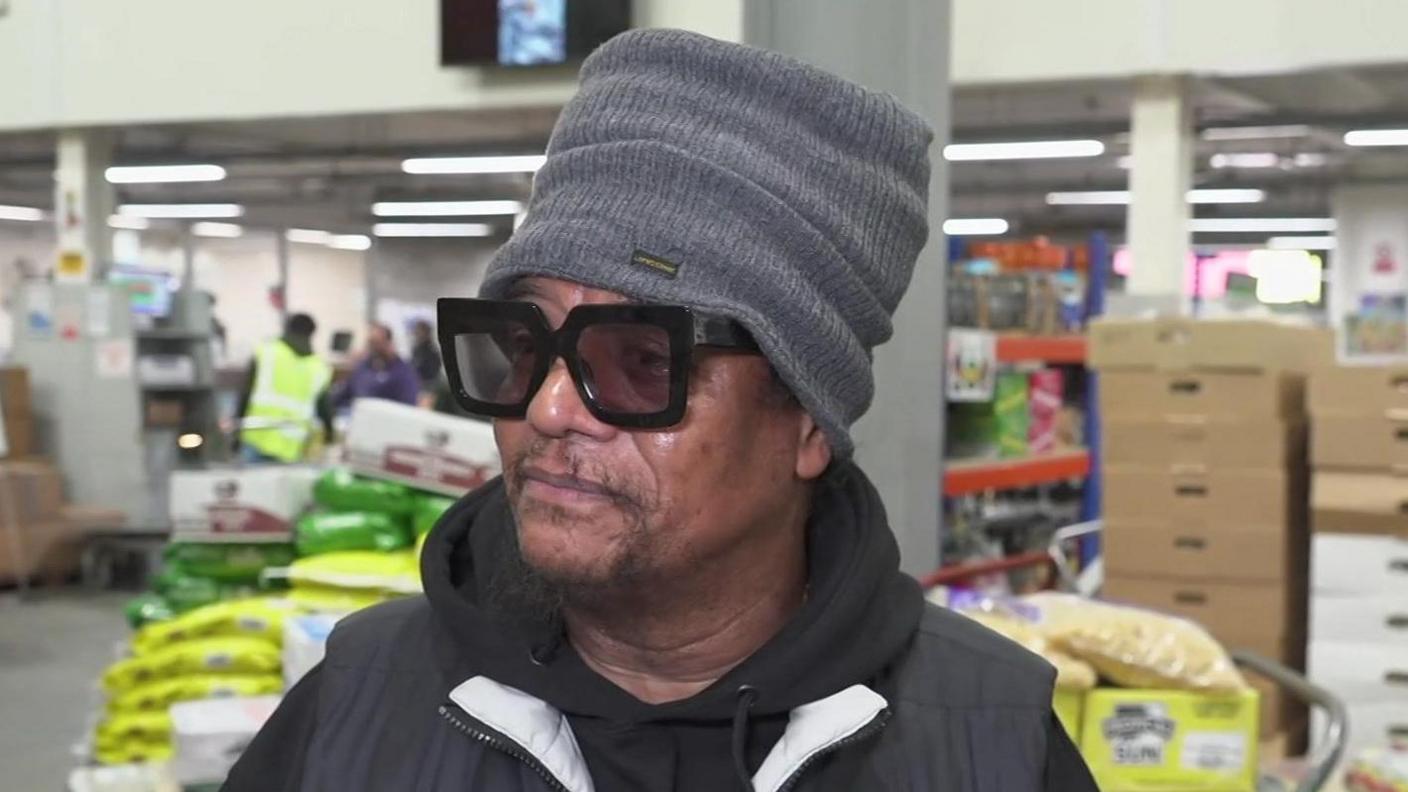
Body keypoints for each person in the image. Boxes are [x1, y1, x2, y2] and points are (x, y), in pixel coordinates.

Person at [225, 29, 1098, 791]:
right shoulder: (356, 702)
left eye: (642, 362)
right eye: (526, 346)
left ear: (805, 424)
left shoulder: (992, 739)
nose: (554, 408)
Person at [233, 313, 334, 465]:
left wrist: (236, 432)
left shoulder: (266, 352)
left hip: (255, 439)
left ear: (287, 328)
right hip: (291, 449)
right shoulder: (319, 368)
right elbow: (325, 410)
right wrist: (329, 437)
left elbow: (245, 394)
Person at [331, 322, 421, 409]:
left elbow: (408, 406)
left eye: (376, 343)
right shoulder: (362, 368)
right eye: (370, 343)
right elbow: (343, 394)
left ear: (388, 343)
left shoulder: (403, 373)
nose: (372, 348)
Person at [410, 318, 442, 390]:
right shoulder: (416, 349)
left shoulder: (432, 350)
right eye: (416, 331)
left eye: (419, 331)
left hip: (429, 385)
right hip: (417, 383)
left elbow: (433, 371)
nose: (416, 334)